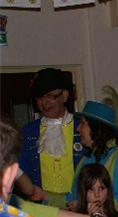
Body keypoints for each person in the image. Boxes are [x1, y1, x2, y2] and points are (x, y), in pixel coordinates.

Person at [19, 68, 84, 208]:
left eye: (50, 96)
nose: (44, 102)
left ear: (65, 96)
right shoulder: (28, 132)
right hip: (41, 208)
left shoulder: (82, 127)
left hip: (78, 207)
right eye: (39, 97)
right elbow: (21, 171)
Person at [69, 100, 118, 216]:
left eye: (83, 123)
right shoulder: (85, 159)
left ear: (95, 128)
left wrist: (86, 206)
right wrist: (45, 195)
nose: (78, 129)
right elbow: (71, 197)